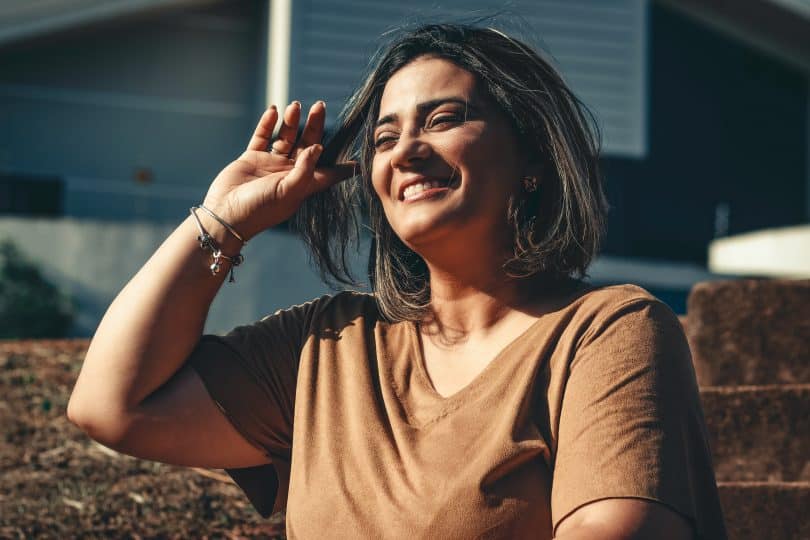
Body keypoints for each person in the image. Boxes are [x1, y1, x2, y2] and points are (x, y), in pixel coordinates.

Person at [68, 23, 727, 539]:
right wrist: (222, 220)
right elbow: (113, 407)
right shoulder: (327, 345)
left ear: (531, 157)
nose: (408, 149)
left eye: (441, 121)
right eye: (385, 137)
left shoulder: (606, 331)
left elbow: (618, 529)